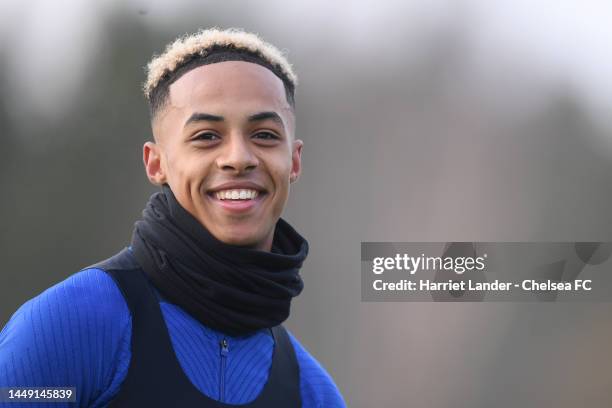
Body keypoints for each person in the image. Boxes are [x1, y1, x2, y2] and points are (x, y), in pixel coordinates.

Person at [0, 28, 346, 407]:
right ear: (156, 162)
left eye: (264, 134)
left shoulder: (313, 393)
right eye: (206, 136)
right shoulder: (70, 325)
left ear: (294, 161)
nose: (238, 157)